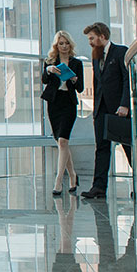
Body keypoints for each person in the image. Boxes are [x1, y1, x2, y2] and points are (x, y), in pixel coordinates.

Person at [81, 22, 131, 200]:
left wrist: (125, 104)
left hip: (119, 110)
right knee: (101, 148)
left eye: (92, 38)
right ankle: (99, 187)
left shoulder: (121, 52)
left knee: (128, 148)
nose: (90, 42)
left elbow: (127, 79)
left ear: (102, 36)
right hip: (101, 110)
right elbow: (97, 84)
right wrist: (95, 109)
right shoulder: (95, 57)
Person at [42, 30, 84, 196]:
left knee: (63, 141)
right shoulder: (50, 61)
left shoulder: (77, 63)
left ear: (70, 44)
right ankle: (73, 176)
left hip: (68, 103)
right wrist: (49, 70)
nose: (64, 46)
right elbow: (44, 80)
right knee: (61, 143)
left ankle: (59, 180)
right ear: (56, 45)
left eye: (66, 43)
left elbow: (80, 88)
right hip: (54, 103)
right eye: (61, 43)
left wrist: (74, 80)